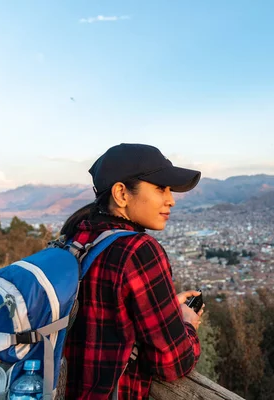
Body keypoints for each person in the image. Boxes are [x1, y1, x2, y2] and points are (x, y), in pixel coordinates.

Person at [61, 143, 204, 399]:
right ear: (121, 194)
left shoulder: (75, 237)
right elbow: (172, 362)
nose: (170, 200)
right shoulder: (138, 250)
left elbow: (106, 312)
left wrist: (167, 308)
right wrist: (186, 323)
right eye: (161, 188)